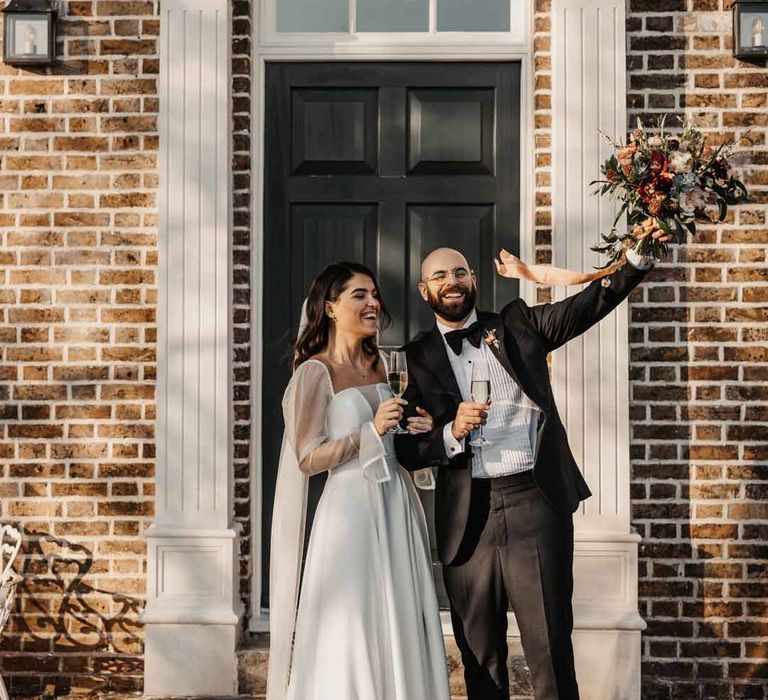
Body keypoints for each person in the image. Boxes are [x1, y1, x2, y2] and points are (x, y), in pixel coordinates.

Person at [394, 227, 670, 700]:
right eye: (439, 275)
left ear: (475, 280)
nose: (452, 280)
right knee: (479, 655)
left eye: (460, 271)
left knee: (549, 651)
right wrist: (449, 433)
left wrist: (637, 260)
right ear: (425, 291)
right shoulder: (415, 358)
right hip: (467, 517)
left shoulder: (518, 324)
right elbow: (406, 448)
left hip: (534, 502)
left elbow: (587, 307)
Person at [266, 261, 451, 700]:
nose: (374, 304)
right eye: (360, 295)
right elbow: (308, 458)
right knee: (355, 621)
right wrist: (368, 432)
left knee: (400, 616)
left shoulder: (383, 367)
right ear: (330, 307)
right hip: (349, 516)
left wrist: (413, 430)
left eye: (374, 295)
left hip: (395, 506)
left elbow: (391, 443)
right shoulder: (314, 372)